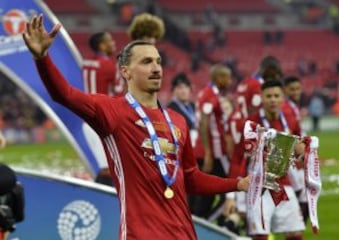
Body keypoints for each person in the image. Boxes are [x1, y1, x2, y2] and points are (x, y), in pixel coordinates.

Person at [22, 15, 250, 239]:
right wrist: (42, 59)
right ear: (125, 71)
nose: (156, 68)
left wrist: (238, 183)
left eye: (158, 61)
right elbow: (65, 94)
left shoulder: (176, 120)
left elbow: (191, 178)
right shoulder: (111, 111)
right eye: (146, 62)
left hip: (183, 234)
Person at [232, 80, 305, 240]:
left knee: (295, 233)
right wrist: (232, 195)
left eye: (276, 96)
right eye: (269, 96)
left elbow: (299, 145)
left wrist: (301, 151)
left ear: (282, 98)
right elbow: (237, 158)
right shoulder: (251, 123)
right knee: (260, 235)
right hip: (259, 188)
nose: (273, 99)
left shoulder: (289, 119)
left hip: (284, 185)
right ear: (262, 98)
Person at [82, 32, 125, 186]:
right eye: (109, 41)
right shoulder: (109, 66)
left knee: (106, 168)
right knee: (110, 169)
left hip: (87, 120)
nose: (113, 43)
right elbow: (120, 94)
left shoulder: (86, 63)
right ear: (101, 45)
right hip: (102, 120)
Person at [194, 64, 232, 220]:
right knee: (230, 193)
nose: (230, 81)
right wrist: (209, 153)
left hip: (211, 151)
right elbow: (204, 123)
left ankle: (199, 226)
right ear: (219, 78)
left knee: (207, 195)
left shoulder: (209, 93)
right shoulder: (210, 95)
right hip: (215, 153)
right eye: (227, 78)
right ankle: (206, 225)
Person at [281, 76, 309, 223]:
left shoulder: (293, 107)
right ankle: (296, 223)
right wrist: (300, 155)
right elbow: (289, 135)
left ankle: (296, 223)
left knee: (302, 191)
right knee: (302, 191)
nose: (296, 92)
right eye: (292, 89)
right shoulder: (286, 108)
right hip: (289, 157)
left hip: (293, 155)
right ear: (285, 90)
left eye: (298, 88)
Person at [167, 73, 197, 147]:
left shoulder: (193, 106)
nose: (184, 91)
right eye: (180, 88)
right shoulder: (170, 109)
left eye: (186, 87)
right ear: (173, 90)